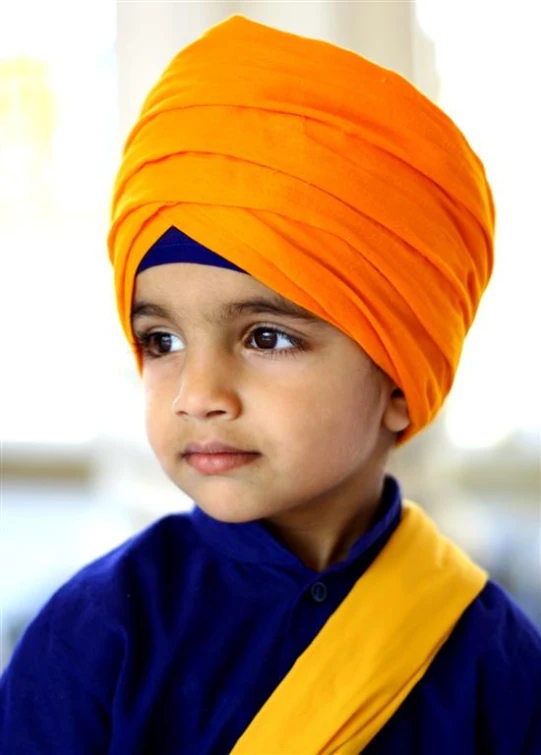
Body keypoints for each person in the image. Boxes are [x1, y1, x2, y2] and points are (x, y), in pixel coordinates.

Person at [1, 14, 540, 755]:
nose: (199, 392)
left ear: (399, 379)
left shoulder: (494, 661)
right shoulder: (96, 636)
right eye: (161, 341)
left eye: (265, 337)